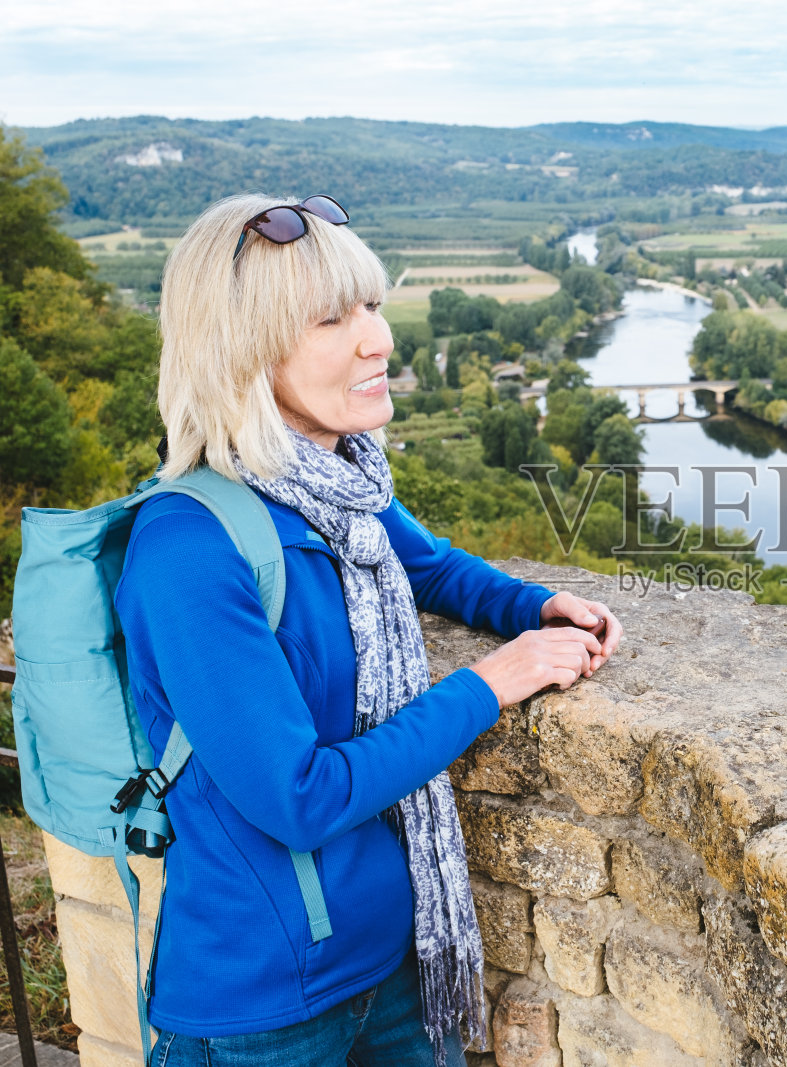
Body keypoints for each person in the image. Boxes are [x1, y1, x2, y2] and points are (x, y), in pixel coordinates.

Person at [115, 193, 622, 1067]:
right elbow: (298, 797)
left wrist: (533, 605)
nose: (377, 339)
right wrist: (491, 681)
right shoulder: (190, 549)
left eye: (373, 306)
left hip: (392, 967)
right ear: (239, 348)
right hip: (262, 1015)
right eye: (329, 318)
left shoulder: (338, 482)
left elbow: (425, 565)